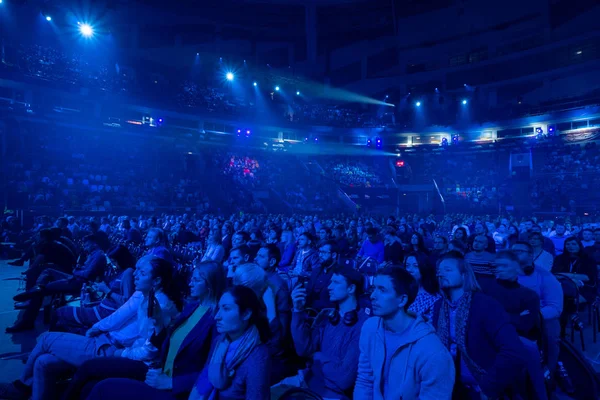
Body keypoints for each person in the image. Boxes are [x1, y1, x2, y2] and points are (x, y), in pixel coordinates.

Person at [0, 256, 181, 400]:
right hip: (110, 342)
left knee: (45, 339)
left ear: (156, 280)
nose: (135, 275)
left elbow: (149, 348)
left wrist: (120, 352)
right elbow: (127, 323)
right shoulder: (148, 298)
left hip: (114, 348)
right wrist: (100, 330)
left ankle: (21, 387)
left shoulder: (157, 306)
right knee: (44, 362)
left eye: (142, 273)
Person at [62, 261, 227, 400]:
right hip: (157, 369)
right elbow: (165, 343)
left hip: (175, 387)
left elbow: (212, 371)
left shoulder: (215, 320)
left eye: (196, 280)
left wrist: (171, 382)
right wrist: (158, 324)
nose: (190, 282)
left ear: (210, 284)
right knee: (89, 383)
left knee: (101, 387)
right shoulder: (192, 307)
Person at [433, 251, 525, 399]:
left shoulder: (485, 305)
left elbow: (513, 351)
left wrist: (488, 387)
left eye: (448, 270)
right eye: (439, 271)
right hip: (452, 384)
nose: (441, 274)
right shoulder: (439, 307)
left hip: (483, 384)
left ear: (464, 275)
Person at [354, 266, 455, 400]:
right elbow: (364, 381)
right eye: (374, 288)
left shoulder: (433, 352)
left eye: (382, 290)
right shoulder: (370, 327)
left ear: (402, 300)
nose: (372, 296)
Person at [272, 266, 369, 399]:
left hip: (331, 394)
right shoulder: (326, 315)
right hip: (306, 379)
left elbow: (343, 379)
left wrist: (316, 356)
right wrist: (298, 311)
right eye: (330, 282)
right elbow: (303, 350)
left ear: (351, 289)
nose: (329, 287)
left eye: (336, 282)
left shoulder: (363, 325)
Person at [179, 286, 270, 400]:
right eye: (219, 309)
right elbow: (203, 377)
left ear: (246, 314)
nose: (217, 316)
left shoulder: (258, 356)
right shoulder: (219, 342)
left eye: (226, 309)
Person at [8, 235, 108, 333]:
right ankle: (35, 289)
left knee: (40, 292)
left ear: (94, 244)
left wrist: (76, 271)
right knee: (48, 271)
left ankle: (27, 319)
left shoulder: (98, 256)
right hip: (75, 278)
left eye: (87, 245)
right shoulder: (93, 254)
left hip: (80, 283)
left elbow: (86, 274)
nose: (85, 247)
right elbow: (82, 269)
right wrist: (78, 269)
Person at [52, 244, 136, 334]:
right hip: (100, 309)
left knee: (59, 312)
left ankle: (52, 341)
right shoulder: (122, 272)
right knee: (62, 319)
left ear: (121, 259)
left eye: (114, 262)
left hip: (103, 314)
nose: (114, 265)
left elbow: (126, 302)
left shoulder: (128, 272)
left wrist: (107, 290)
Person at [512, 241, 563, 384]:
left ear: (531, 255)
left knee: (551, 335)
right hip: (510, 316)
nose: (514, 253)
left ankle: (548, 372)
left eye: (519, 251)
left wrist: (533, 316)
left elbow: (554, 307)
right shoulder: (503, 274)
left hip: (539, 316)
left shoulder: (545, 276)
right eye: (512, 250)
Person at [553, 236, 597, 303]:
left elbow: (587, 277)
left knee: (567, 299)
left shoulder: (588, 259)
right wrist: (572, 278)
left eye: (574, 244)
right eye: (567, 244)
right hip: (562, 285)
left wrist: (565, 275)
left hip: (585, 287)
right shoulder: (559, 258)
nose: (570, 246)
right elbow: (555, 274)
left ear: (579, 245)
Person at [404, 252, 441, 320]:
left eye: (415, 266)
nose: (409, 270)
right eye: (407, 266)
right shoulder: (400, 292)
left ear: (424, 268)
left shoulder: (433, 299)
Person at [305, 240, 339, 311]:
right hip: (309, 309)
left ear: (334, 255)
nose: (320, 255)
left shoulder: (339, 274)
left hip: (326, 313)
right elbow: (308, 292)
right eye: (319, 252)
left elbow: (334, 301)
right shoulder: (316, 270)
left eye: (323, 252)